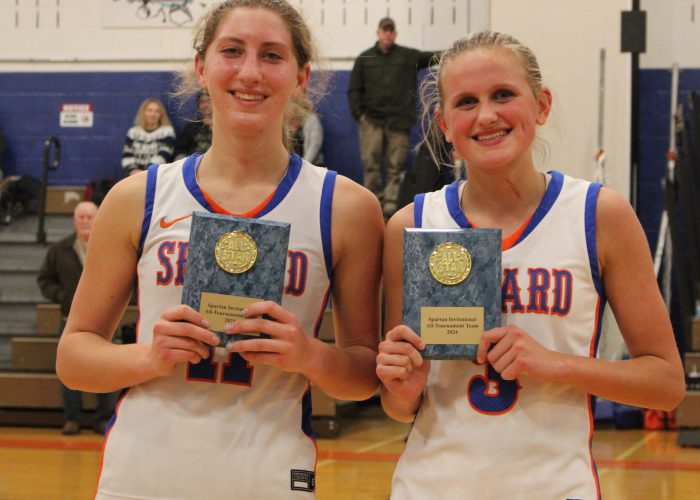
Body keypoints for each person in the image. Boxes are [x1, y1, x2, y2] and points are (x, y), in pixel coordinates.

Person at [56, 1, 383, 498]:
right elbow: (74, 358)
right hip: (142, 476)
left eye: (271, 55)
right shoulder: (136, 197)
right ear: (201, 68)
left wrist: (310, 355)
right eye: (232, 51)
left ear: (300, 76)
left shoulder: (346, 207)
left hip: (270, 476)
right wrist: (149, 358)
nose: (250, 72)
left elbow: (364, 376)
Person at [377, 31, 685, 499]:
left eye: (503, 94)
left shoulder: (599, 215)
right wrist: (402, 388)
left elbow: (666, 384)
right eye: (465, 102)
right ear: (443, 124)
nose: (486, 115)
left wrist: (555, 364)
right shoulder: (411, 224)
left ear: (541, 105)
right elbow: (400, 407)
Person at [37, 201, 117, 435]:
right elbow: (44, 280)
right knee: (69, 371)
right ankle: (72, 419)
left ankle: (103, 418)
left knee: (106, 370)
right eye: (81, 216)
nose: (85, 221)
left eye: (89, 216)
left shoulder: (111, 247)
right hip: (69, 319)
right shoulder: (59, 249)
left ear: (98, 218)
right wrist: (62, 297)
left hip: (106, 320)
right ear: (74, 220)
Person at [347, 17, 439, 218]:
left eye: (391, 31)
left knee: (395, 167)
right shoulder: (364, 59)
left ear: (394, 34)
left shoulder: (408, 56)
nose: (387, 34)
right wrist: (360, 116)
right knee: (370, 164)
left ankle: (390, 206)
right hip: (371, 121)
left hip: (399, 122)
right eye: (384, 30)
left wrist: (458, 52)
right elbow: (354, 90)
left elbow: (432, 57)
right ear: (378, 33)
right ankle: (372, 202)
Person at [121, 97, 176, 176]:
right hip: (133, 175)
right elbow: (127, 154)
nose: (153, 114)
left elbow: (164, 153)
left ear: (161, 115)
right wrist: (133, 170)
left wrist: (146, 171)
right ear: (143, 112)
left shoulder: (167, 131)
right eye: (150, 110)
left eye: (157, 111)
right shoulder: (133, 132)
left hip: (156, 175)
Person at [173, 92, 212, 160]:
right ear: (199, 106)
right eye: (202, 102)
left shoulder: (224, 127)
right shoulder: (192, 127)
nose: (205, 105)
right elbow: (181, 149)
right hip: (194, 165)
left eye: (208, 101)